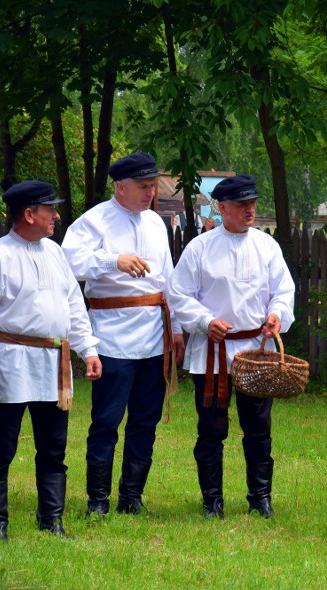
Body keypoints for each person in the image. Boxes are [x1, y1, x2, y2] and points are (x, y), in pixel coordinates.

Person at [0, 180, 102, 540]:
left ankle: (51, 521)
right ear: (29, 214)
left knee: (53, 445)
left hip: (53, 364)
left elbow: (73, 305)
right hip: (12, 361)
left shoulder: (55, 253)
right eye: (50, 209)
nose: (56, 216)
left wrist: (87, 349)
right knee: (2, 444)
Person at [62, 152, 184, 517]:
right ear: (121, 186)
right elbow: (66, 260)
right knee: (106, 421)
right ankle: (97, 502)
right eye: (143, 186)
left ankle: (132, 498)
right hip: (111, 336)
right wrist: (112, 260)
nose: (150, 193)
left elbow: (168, 279)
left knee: (145, 421)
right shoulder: (94, 221)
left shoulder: (156, 224)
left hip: (152, 335)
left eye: (152, 186)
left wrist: (175, 327)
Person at [168, 175, 295, 519]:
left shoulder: (267, 247)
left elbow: (284, 290)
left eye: (252, 203)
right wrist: (205, 320)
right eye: (241, 204)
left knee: (258, 428)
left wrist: (276, 314)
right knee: (211, 430)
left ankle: (260, 499)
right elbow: (178, 294)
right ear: (222, 208)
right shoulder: (201, 247)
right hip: (212, 353)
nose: (249, 209)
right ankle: (212, 501)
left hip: (256, 351)